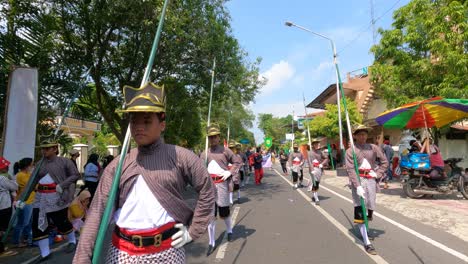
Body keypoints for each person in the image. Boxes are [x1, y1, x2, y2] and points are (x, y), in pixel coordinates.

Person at [74, 82, 215, 263]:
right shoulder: (118, 165)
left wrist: (193, 231)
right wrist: (81, 259)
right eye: (134, 121)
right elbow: (97, 212)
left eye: (147, 121)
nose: (139, 127)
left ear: (162, 124)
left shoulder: (182, 157)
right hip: (122, 255)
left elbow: (207, 189)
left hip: (167, 253)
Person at [25, 140, 80, 262]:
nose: (44, 151)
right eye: (42, 148)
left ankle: (72, 240)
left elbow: (75, 175)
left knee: (61, 222)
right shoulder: (39, 164)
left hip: (57, 196)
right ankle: (45, 253)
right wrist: (22, 199)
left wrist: (62, 184)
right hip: (40, 197)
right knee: (38, 225)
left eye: (47, 148)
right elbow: (31, 182)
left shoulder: (65, 161)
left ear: (55, 149)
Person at [345, 125, 388, 255]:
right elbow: (351, 169)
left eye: (364, 134)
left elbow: (384, 162)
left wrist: (378, 173)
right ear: (355, 136)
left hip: (371, 181)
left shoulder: (374, 148)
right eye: (360, 134)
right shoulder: (350, 151)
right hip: (358, 181)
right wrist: (357, 185)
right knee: (360, 208)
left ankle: (365, 226)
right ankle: (367, 242)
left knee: (370, 207)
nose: (362, 137)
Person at [201, 123, 241, 256]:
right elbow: (199, 170)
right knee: (210, 216)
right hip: (208, 187)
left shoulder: (226, 151)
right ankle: (211, 242)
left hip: (222, 185)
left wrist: (230, 172)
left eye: (214, 137)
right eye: (210, 137)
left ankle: (229, 230)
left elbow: (237, 162)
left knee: (224, 212)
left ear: (218, 137)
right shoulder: (204, 153)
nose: (212, 139)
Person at [13, 158, 35, 247]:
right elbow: (32, 185)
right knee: (23, 223)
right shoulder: (20, 175)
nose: (33, 166)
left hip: (29, 201)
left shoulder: (27, 174)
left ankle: (27, 239)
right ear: (27, 166)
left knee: (29, 223)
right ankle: (16, 242)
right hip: (24, 202)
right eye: (32, 165)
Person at [0, 157, 18, 257]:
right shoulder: (2, 178)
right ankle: (1, 250)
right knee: (2, 229)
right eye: (6, 166)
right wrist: (12, 179)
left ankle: (1, 247)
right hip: (3, 206)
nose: (7, 167)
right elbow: (14, 187)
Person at [307, 139, 329, 205]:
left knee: (317, 183)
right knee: (314, 183)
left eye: (318, 143)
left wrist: (322, 164)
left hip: (319, 169)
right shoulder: (309, 152)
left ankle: (314, 193)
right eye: (315, 144)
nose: (317, 145)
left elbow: (326, 158)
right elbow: (309, 162)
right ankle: (316, 198)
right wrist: (312, 169)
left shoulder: (320, 152)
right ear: (313, 145)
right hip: (313, 169)